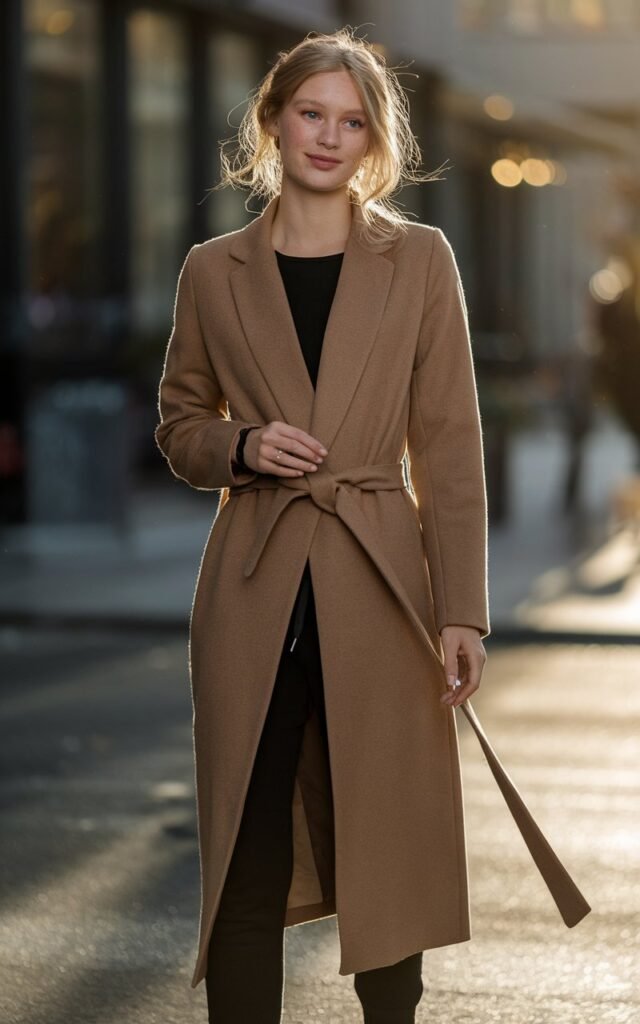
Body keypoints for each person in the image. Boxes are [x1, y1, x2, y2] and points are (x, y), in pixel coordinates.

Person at [155, 26, 589, 1024]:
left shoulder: (419, 259)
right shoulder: (213, 271)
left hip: (380, 583)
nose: (327, 136)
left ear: (371, 142)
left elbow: (448, 444)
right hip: (252, 589)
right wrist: (244, 445)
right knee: (246, 852)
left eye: (351, 122)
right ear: (271, 120)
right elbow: (179, 426)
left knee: (387, 856)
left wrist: (462, 613)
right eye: (311, 112)